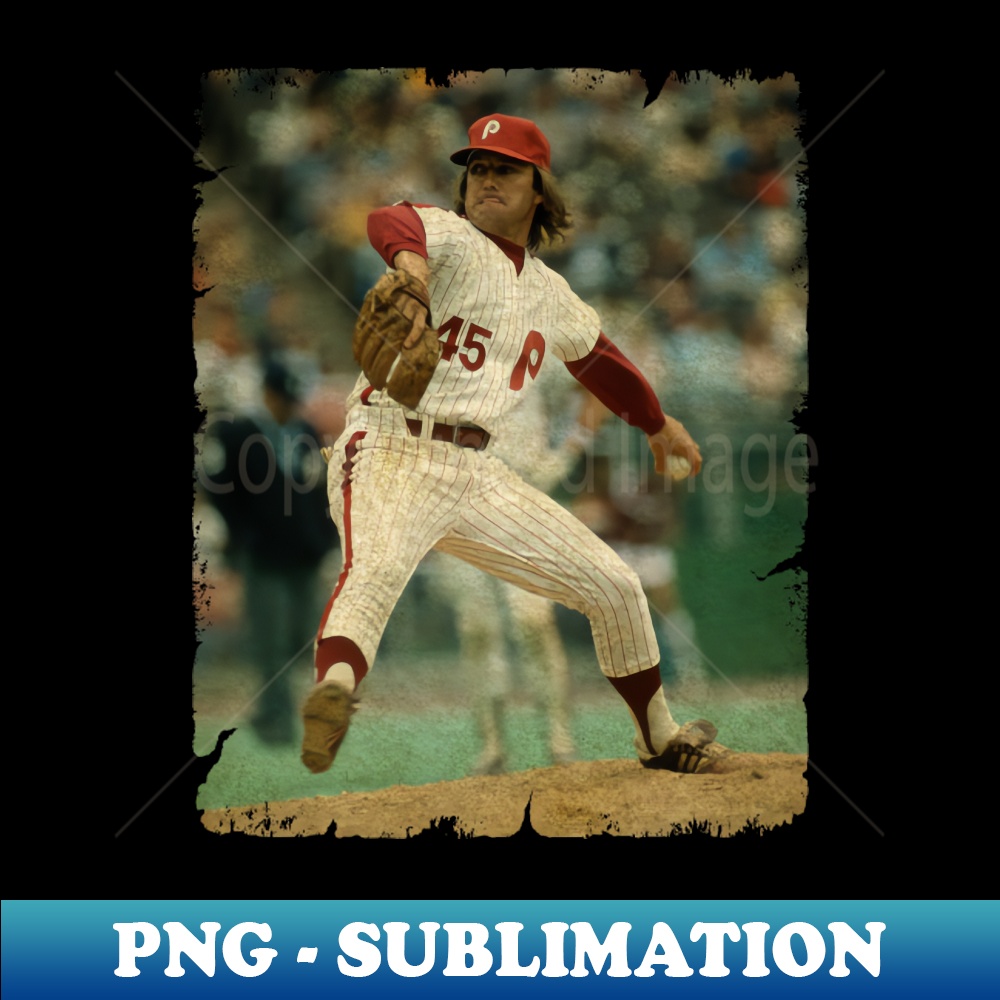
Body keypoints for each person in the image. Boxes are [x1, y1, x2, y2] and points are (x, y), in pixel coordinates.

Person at [301, 113, 720, 776]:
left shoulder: (550, 292)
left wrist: (657, 423)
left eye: (505, 169)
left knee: (615, 584)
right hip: (388, 445)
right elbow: (390, 220)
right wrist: (411, 270)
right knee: (374, 572)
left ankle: (658, 736)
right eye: (478, 168)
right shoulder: (451, 237)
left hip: (477, 471)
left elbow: (601, 362)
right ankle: (334, 694)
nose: (487, 178)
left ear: (540, 190)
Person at [201, 354, 337, 744]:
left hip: (305, 553)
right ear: (267, 395)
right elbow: (216, 485)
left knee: (302, 638)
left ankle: (269, 711)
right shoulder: (239, 434)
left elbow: (323, 487)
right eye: (281, 398)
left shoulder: (306, 433)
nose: (287, 407)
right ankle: (279, 721)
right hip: (263, 556)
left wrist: (325, 537)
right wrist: (242, 534)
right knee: (271, 641)